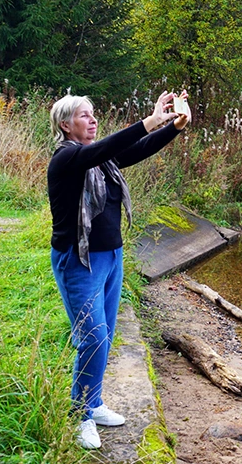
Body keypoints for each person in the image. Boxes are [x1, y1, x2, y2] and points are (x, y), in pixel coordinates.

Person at [48, 90, 190, 449]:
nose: (92, 120)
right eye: (84, 115)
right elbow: (104, 148)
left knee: (105, 336)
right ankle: (79, 415)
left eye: (94, 114)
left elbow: (137, 149)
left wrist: (175, 125)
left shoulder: (101, 161)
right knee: (92, 338)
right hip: (79, 262)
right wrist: (151, 119)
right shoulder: (67, 158)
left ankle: (93, 403)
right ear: (65, 124)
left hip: (111, 258)